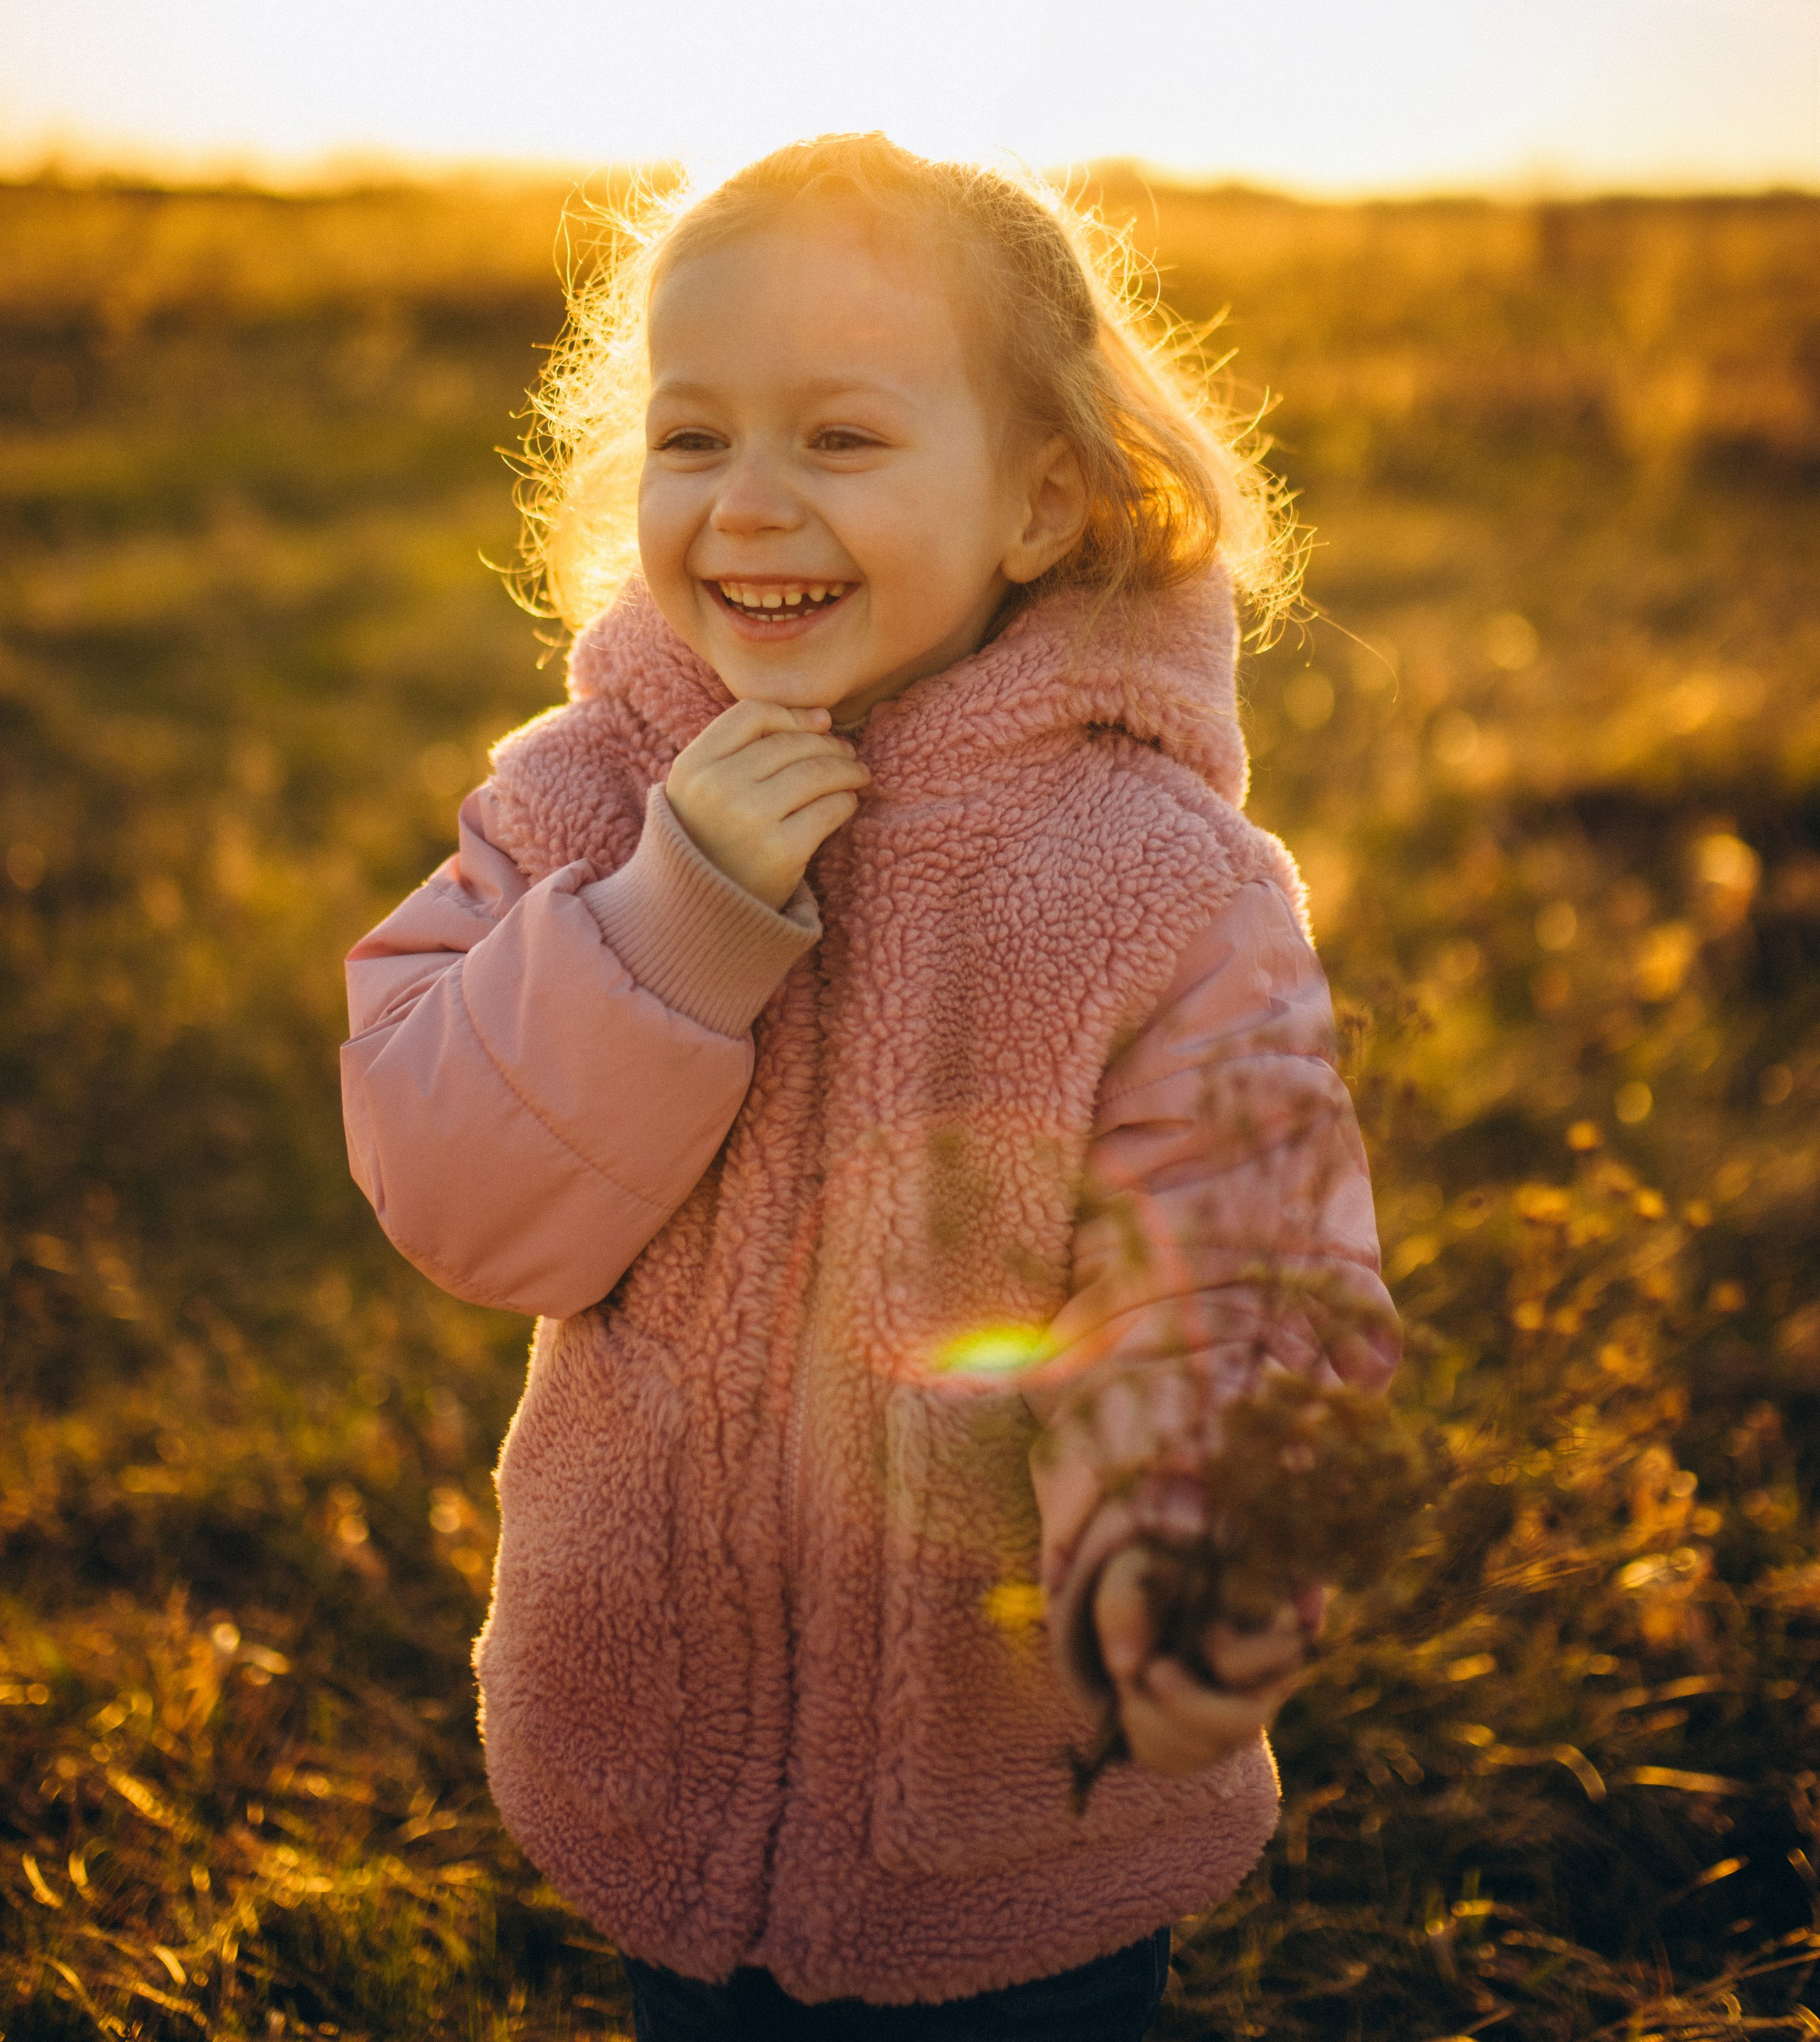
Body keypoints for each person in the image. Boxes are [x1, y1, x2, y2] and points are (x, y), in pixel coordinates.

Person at [341, 134, 1400, 2039]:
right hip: (653, 1764)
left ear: (1040, 498)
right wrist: (674, 925)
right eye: (692, 439)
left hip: (1024, 1823)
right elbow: (450, 1185)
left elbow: (1248, 1266)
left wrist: (1187, 1557)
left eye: (841, 440)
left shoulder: (1150, 870)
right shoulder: (592, 797)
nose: (752, 505)